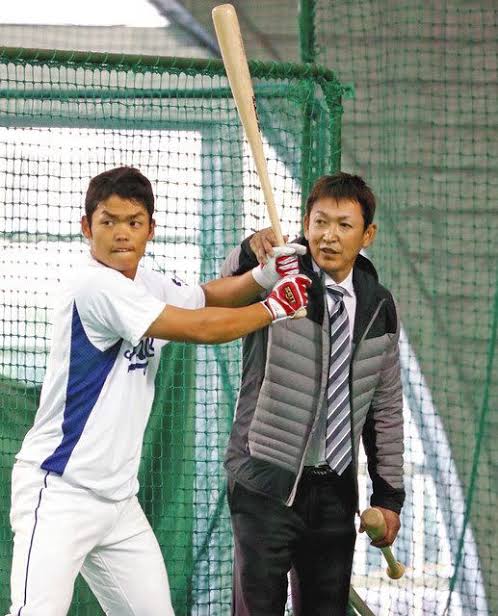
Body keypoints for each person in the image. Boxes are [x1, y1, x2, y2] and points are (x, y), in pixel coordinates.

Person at [6, 166, 310, 616]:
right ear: (86, 227)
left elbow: (206, 298)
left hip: (117, 501)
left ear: (151, 229)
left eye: (134, 222)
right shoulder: (94, 286)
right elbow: (199, 327)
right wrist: (273, 307)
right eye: (108, 221)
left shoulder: (146, 283)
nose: (121, 233)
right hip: (59, 492)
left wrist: (263, 277)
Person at [220, 172, 405, 616]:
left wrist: (388, 499)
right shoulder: (280, 277)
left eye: (344, 225)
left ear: (367, 235)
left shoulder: (379, 305)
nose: (329, 236)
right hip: (265, 483)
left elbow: (385, 407)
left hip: (335, 494)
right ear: (306, 224)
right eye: (320, 222)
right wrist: (249, 252)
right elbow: (223, 293)